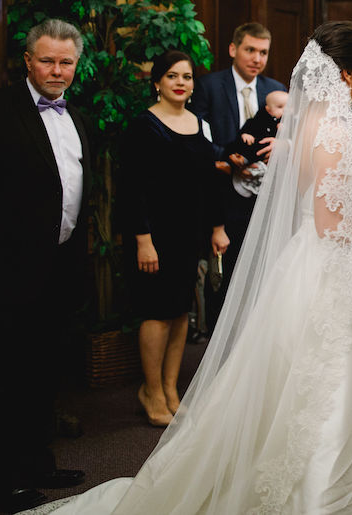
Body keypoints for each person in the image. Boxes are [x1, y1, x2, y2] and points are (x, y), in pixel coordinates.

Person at [32, 21, 352, 514]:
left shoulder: (324, 124)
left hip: (332, 267)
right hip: (327, 270)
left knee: (325, 378)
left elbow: (340, 207)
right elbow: (326, 222)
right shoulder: (332, 130)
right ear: (344, 73)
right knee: (324, 377)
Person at [0, 19, 90, 513]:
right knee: (8, 375)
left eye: (66, 62)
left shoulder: (77, 115)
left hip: (60, 264)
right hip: (11, 270)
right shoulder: (3, 111)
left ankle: (36, 461)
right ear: (28, 61)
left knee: (45, 370)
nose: (57, 70)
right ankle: (5, 478)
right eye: (48, 60)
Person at [119, 51, 230, 427]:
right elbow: (131, 189)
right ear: (157, 82)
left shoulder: (199, 123)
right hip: (154, 235)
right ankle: (150, 390)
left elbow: (210, 181)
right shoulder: (143, 125)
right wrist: (142, 239)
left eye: (187, 76)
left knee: (182, 311)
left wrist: (217, 228)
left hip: (189, 233)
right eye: (172, 76)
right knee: (157, 312)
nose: (181, 82)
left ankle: (170, 390)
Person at [189, 22, 286, 333]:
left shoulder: (276, 90)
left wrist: (281, 148)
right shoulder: (208, 86)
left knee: (264, 267)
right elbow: (198, 135)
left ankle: (255, 335)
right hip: (223, 192)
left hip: (266, 193)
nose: (257, 58)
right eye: (250, 50)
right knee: (226, 268)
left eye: (263, 52)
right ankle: (219, 335)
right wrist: (227, 159)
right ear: (233, 50)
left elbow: (292, 132)